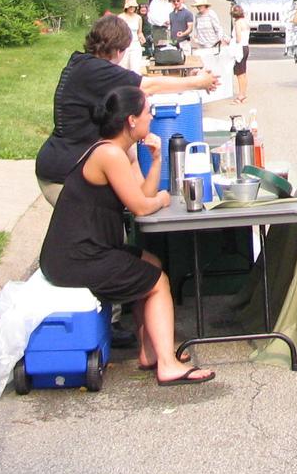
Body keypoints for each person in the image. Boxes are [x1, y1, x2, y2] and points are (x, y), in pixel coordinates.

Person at [39, 87, 214, 387]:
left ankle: (149, 352)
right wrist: (161, 199)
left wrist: (156, 160)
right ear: (131, 120)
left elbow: (137, 195)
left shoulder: (112, 150)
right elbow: (142, 207)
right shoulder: (108, 154)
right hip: (77, 257)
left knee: (151, 261)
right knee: (157, 282)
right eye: (148, 112)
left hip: (82, 251)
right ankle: (168, 365)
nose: (151, 117)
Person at [35, 15, 219, 205]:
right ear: (118, 50)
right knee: (92, 226)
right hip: (64, 172)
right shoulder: (95, 70)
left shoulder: (85, 65)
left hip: (65, 164)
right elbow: (148, 86)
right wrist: (197, 82)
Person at [118, 0, 145, 75]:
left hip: (135, 44)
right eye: (130, 6)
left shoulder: (138, 18)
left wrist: (142, 38)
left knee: (135, 67)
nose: (132, 8)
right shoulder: (120, 17)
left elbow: (139, 32)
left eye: (134, 6)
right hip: (124, 44)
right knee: (123, 66)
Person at [231, 4, 250, 104]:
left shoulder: (238, 23)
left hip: (240, 48)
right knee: (244, 72)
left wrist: (231, 41)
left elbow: (238, 38)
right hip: (246, 47)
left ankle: (241, 95)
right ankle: (244, 93)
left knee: (239, 74)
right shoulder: (245, 22)